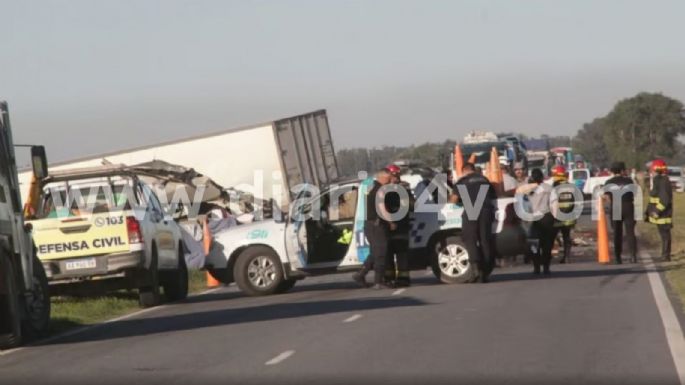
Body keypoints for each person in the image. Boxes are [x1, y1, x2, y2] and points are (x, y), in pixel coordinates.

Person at [449, 162, 497, 283]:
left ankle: (476, 270)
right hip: (486, 210)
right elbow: (493, 196)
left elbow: (453, 200)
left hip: (471, 211)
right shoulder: (484, 179)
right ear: (474, 169)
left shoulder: (461, 181)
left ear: (463, 170)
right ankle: (485, 272)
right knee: (485, 240)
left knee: (470, 239)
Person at [353, 169, 395, 289]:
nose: (389, 181)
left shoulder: (372, 188)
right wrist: (391, 222)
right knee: (381, 253)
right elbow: (382, 209)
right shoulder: (379, 190)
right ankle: (378, 281)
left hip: (370, 225)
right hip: (376, 225)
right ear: (382, 177)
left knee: (375, 253)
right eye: (388, 178)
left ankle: (360, 274)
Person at [517, 168, 555, 275]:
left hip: (533, 218)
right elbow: (554, 204)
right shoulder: (549, 188)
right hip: (547, 217)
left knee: (534, 243)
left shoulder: (528, 189)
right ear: (542, 177)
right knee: (547, 244)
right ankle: (546, 268)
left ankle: (536, 267)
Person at [384, 164, 413, 287]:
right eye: (393, 175)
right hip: (392, 225)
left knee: (400, 253)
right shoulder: (386, 189)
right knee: (389, 253)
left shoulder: (402, 189)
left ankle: (402, 278)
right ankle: (391, 278)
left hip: (398, 225)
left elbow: (412, 205)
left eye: (396, 175)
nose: (395, 178)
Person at [604, 161, 638, 264]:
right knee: (630, 232)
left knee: (617, 233)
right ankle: (633, 256)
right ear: (622, 170)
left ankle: (618, 257)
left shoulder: (609, 182)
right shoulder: (629, 181)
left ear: (612, 171)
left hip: (616, 206)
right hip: (628, 206)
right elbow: (634, 193)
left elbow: (607, 197)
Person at [646, 159, 673, 261]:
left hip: (663, 214)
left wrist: (656, 211)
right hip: (660, 214)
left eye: (652, 169)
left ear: (656, 170)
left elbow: (665, 199)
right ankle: (664, 254)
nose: (651, 172)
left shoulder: (663, 181)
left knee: (665, 234)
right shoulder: (659, 180)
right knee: (663, 235)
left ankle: (666, 256)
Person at [550, 165, 576, 264]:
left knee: (552, 236)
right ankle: (567, 257)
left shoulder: (555, 185)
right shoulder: (571, 186)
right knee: (566, 236)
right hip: (569, 215)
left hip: (557, 216)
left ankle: (548, 256)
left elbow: (552, 201)